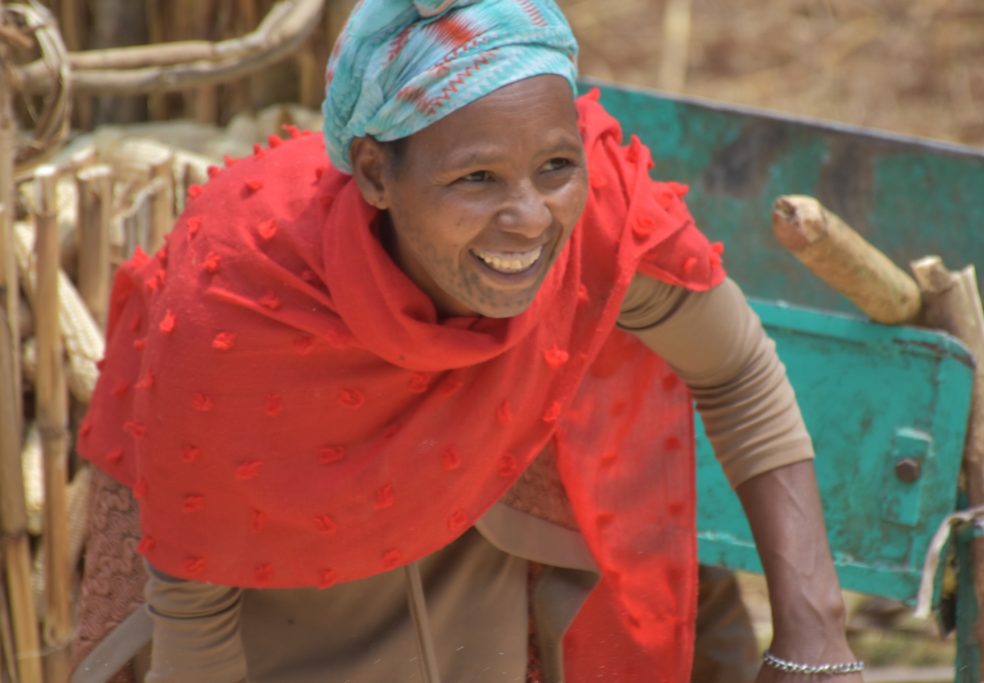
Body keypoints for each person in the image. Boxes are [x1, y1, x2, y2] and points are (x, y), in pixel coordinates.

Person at [76, 0, 865, 680]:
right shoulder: (240, 301)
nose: (529, 217)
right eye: (477, 179)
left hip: (484, 555)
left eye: (554, 165)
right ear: (376, 175)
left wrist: (814, 628)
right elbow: (196, 598)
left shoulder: (590, 203)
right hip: (283, 604)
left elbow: (737, 370)